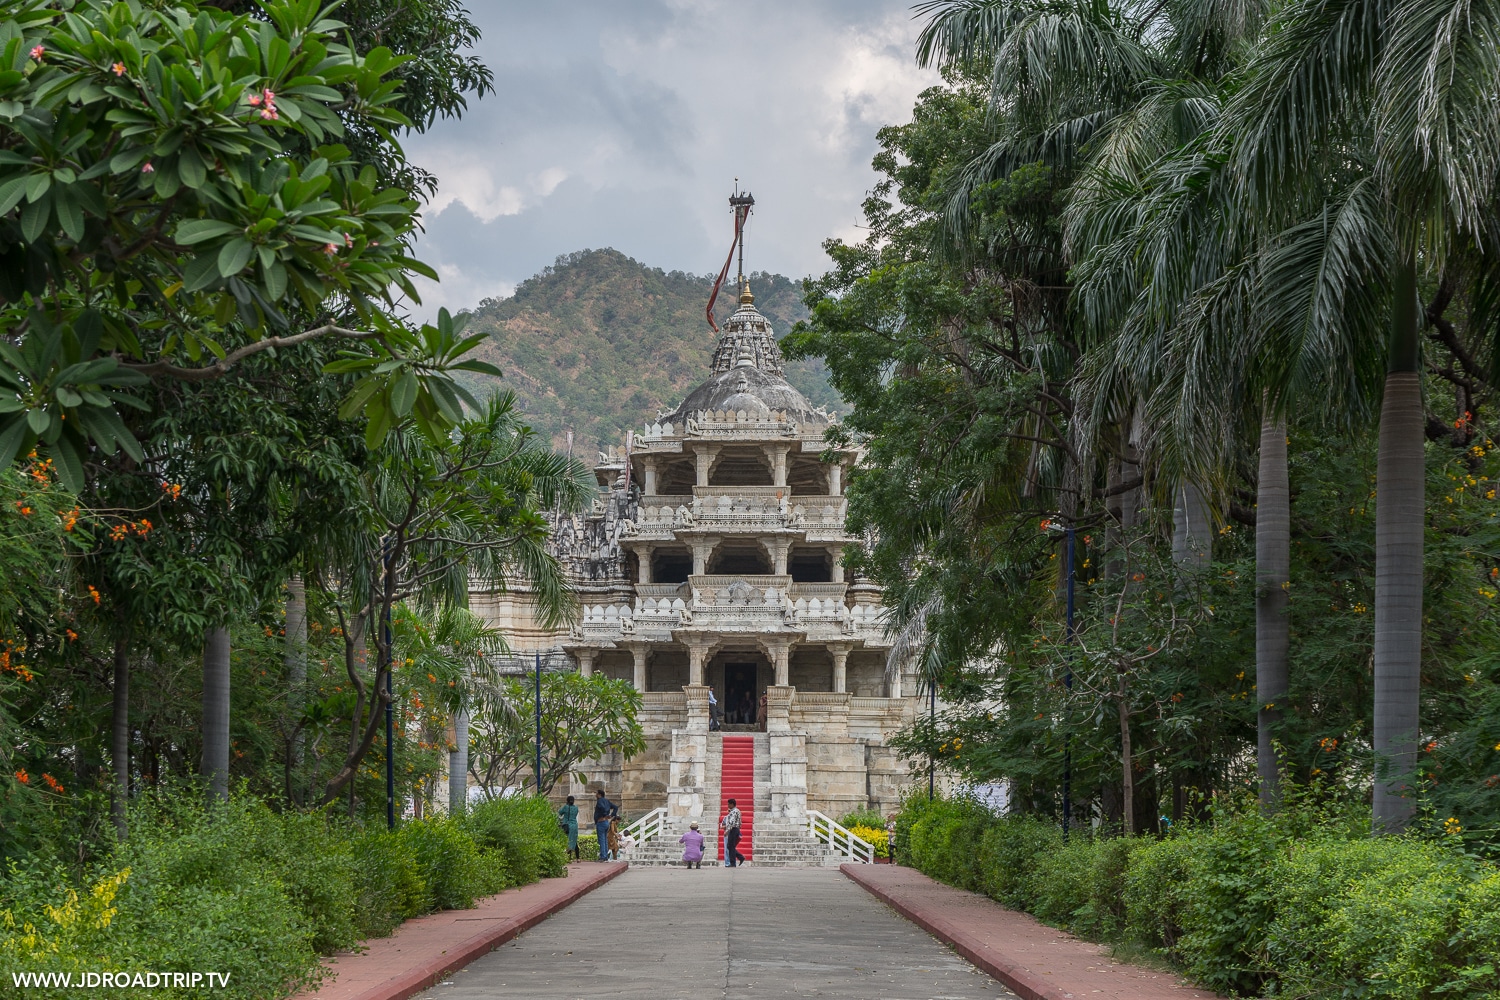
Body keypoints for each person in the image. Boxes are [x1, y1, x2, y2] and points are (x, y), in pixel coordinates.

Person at [720, 797, 746, 867]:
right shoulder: (736, 811)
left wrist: (727, 831)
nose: (728, 806)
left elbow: (731, 822)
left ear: (732, 804)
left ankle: (734, 861)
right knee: (730, 846)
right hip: (735, 828)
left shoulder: (734, 812)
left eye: (729, 804)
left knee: (730, 846)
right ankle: (739, 857)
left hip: (733, 829)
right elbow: (740, 822)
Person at [593, 789, 616, 862]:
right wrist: (612, 815)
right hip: (606, 822)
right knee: (605, 840)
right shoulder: (607, 801)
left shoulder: (599, 801)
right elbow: (615, 807)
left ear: (599, 794)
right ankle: (605, 855)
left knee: (602, 840)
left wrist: (604, 815)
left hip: (601, 822)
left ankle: (603, 856)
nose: (595, 795)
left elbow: (602, 808)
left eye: (596, 793)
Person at [557, 795, 580, 861]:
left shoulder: (565, 807)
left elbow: (560, 812)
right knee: (574, 841)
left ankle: (568, 858)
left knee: (567, 841)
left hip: (567, 825)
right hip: (575, 826)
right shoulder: (576, 808)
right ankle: (578, 858)